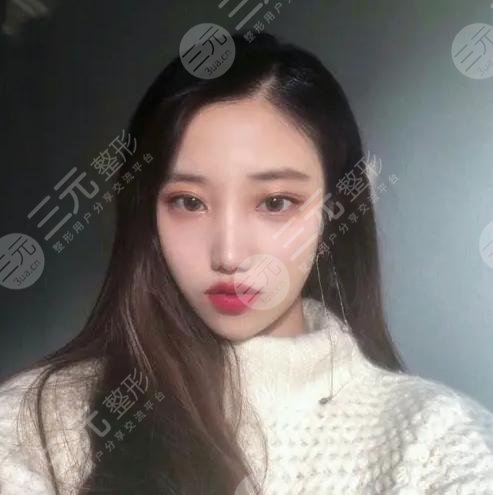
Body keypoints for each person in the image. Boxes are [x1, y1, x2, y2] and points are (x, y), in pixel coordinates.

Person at [1, 31, 492, 495]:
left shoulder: (433, 440)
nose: (229, 255)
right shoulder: (36, 424)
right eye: (189, 202)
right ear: (147, 214)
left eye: (276, 202)